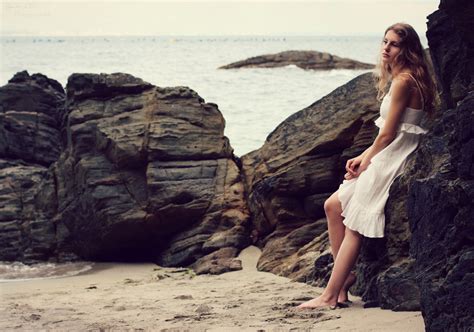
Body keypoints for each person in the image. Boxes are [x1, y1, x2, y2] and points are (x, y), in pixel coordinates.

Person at [297, 22, 437, 310]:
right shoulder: (404, 78)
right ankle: (343, 282)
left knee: (355, 224)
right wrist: (364, 154)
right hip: (391, 149)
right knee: (333, 206)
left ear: (407, 49)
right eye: (384, 42)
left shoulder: (404, 81)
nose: (386, 48)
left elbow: (389, 134)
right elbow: (389, 133)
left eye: (394, 44)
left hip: (396, 155)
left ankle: (328, 296)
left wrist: (367, 160)